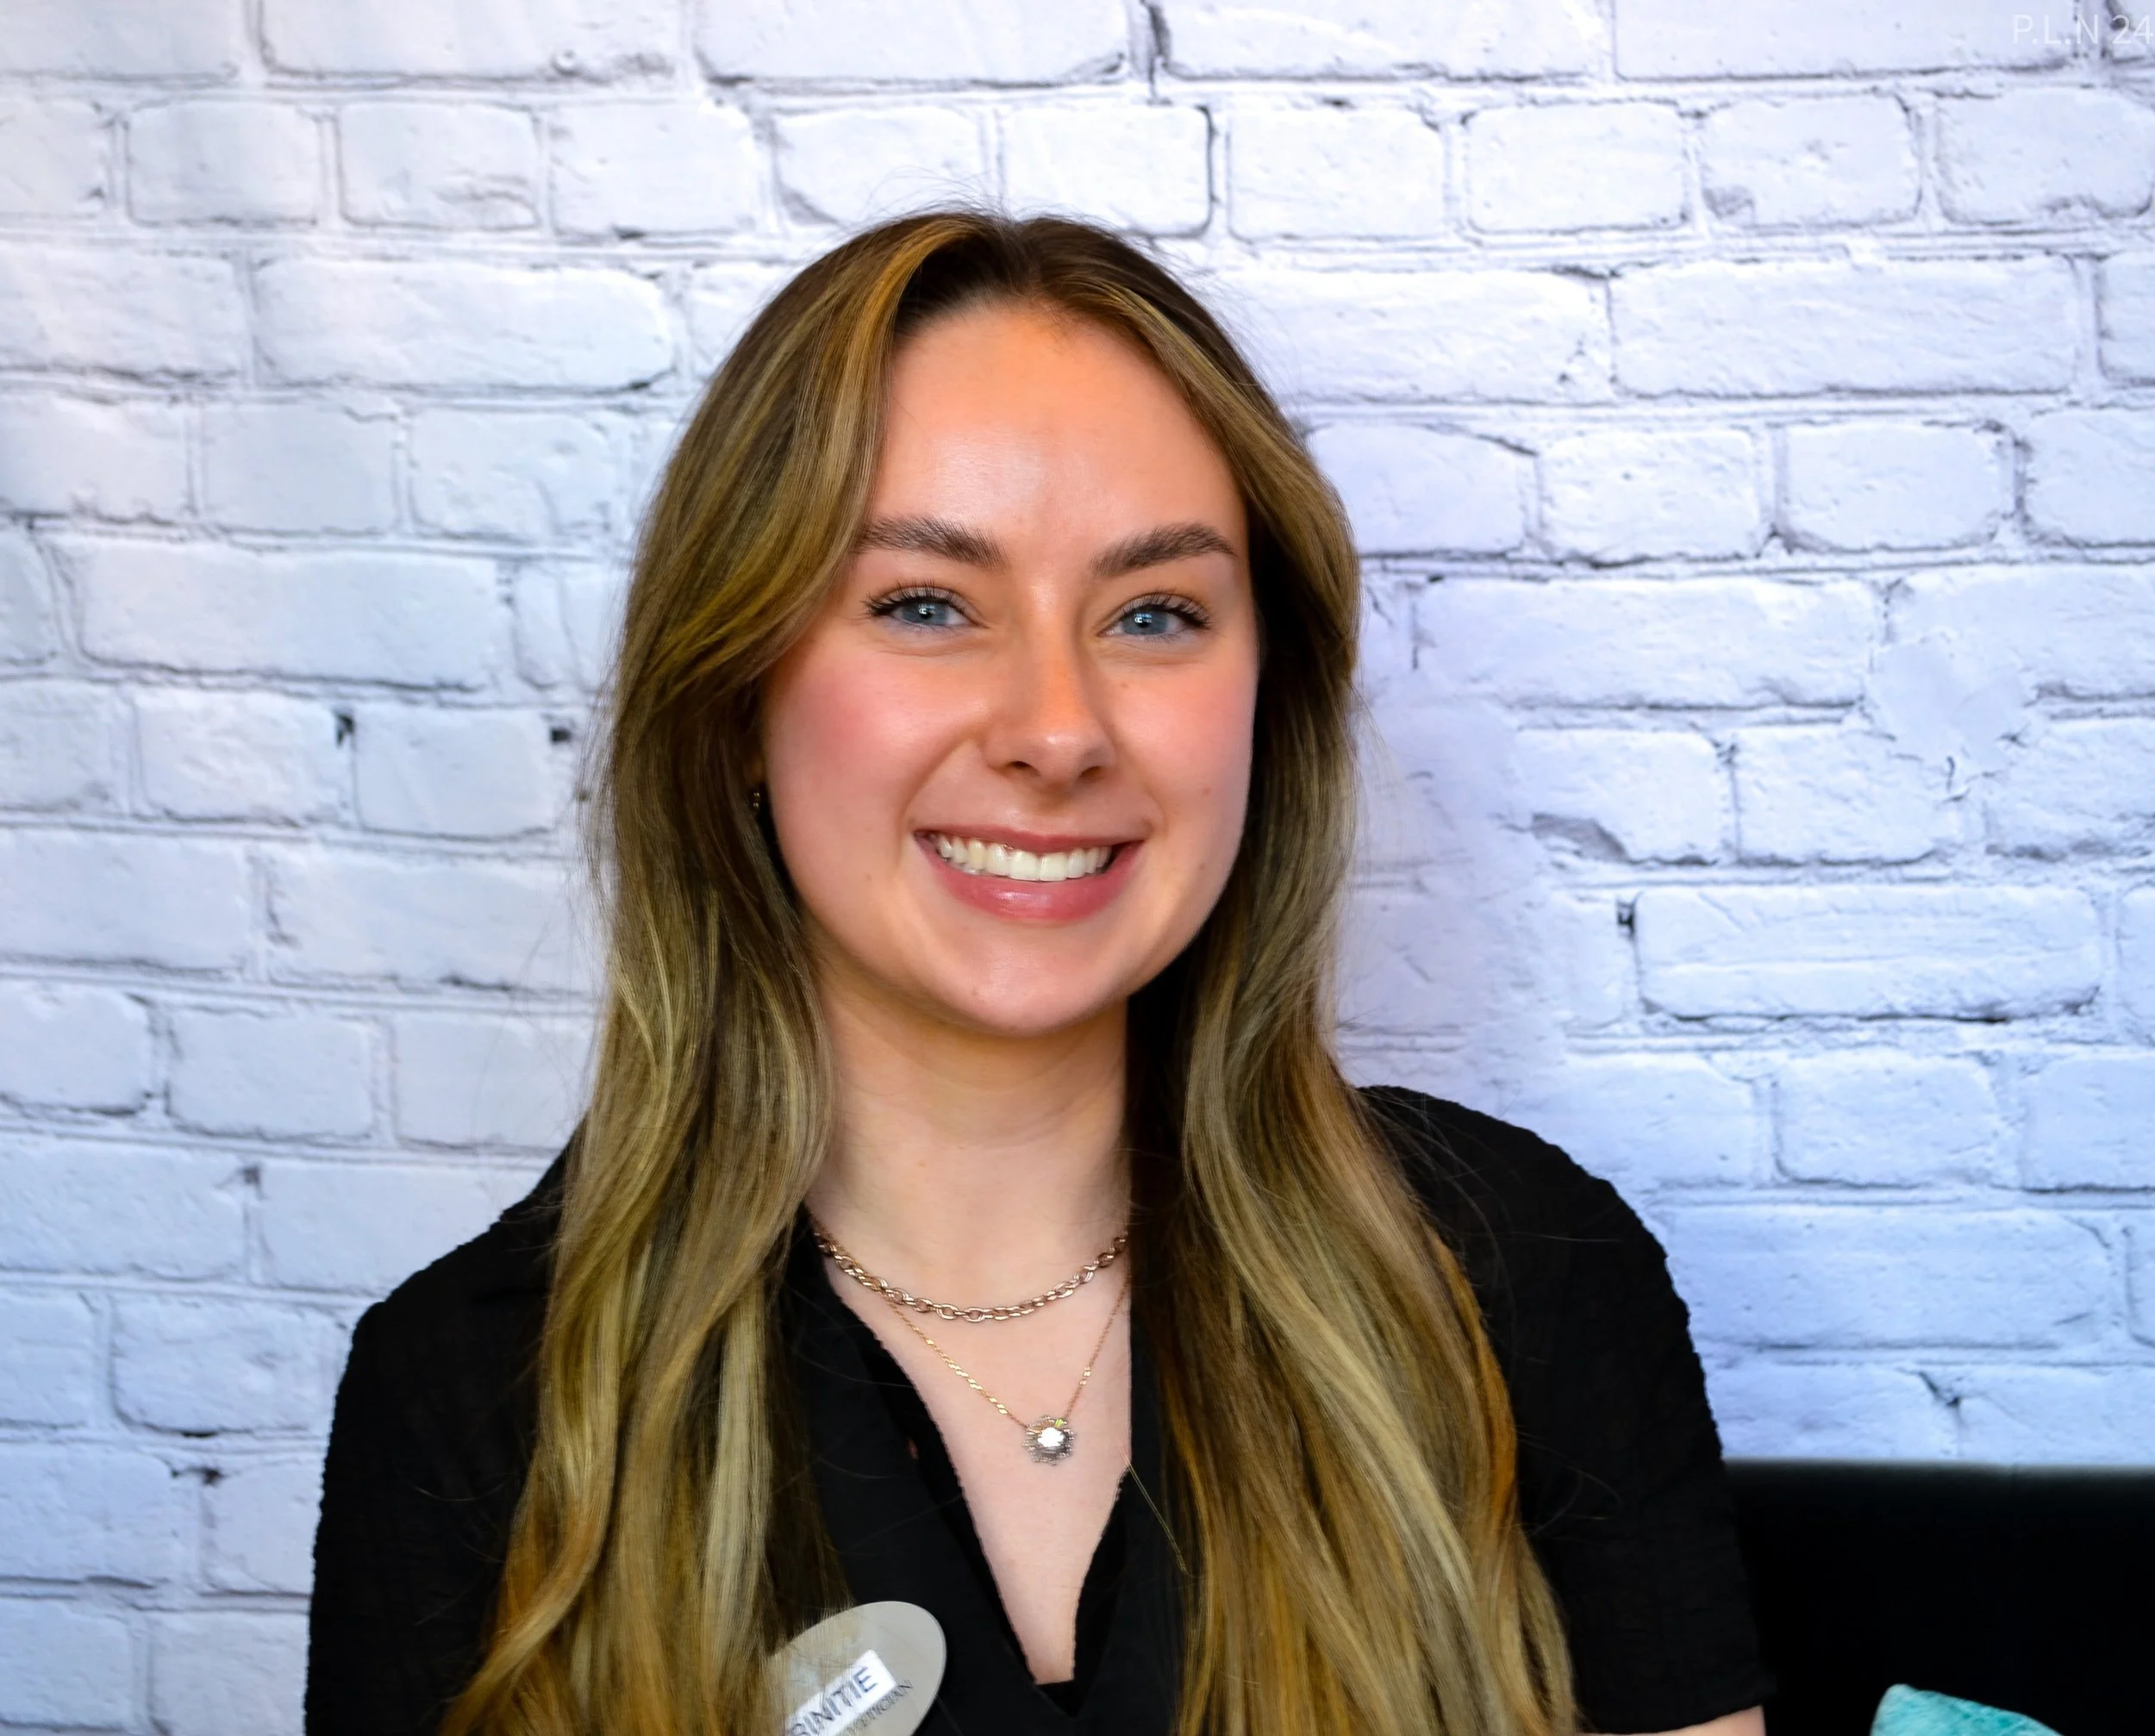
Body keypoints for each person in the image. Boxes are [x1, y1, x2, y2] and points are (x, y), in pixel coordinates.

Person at [306, 211, 1769, 1736]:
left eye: (1155, 614)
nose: (1058, 728)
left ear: (1265, 705)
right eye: (927, 604)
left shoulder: (1516, 1279)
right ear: (737, 693)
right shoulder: (478, 1399)